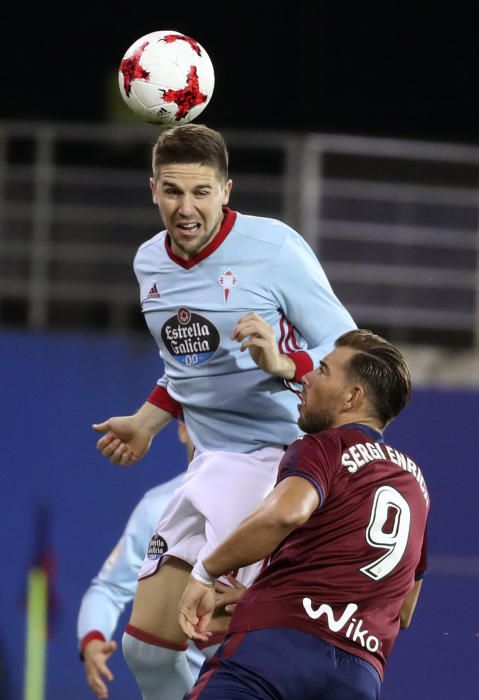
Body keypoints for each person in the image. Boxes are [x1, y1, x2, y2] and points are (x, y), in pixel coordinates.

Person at [92, 123, 356, 699]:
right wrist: (145, 421)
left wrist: (285, 362)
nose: (186, 209)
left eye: (201, 192)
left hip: (277, 463)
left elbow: (351, 348)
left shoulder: (274, 247)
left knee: (224, 639)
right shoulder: (148, 264)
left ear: (227, 191)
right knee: (148, 650)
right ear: (152, 191)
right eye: (172, 192)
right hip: (209, 464)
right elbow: (188, 367)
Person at [179, 329, 429, 700]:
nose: (307, 376)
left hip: (275, 655)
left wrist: (205, 572)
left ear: (352, 397)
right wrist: (262, 595)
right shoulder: (415, 484)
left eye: (324, 370)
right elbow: (404, 610)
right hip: (358, 677)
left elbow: (287, 513)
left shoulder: (323, 447)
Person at [77, 422, 207, 699]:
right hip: (181, 686)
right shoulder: (156, 507)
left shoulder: (276, 500)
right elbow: (109, 589)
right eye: (201, 417)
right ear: (182, 428)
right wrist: (92, 638)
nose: (213, 429)